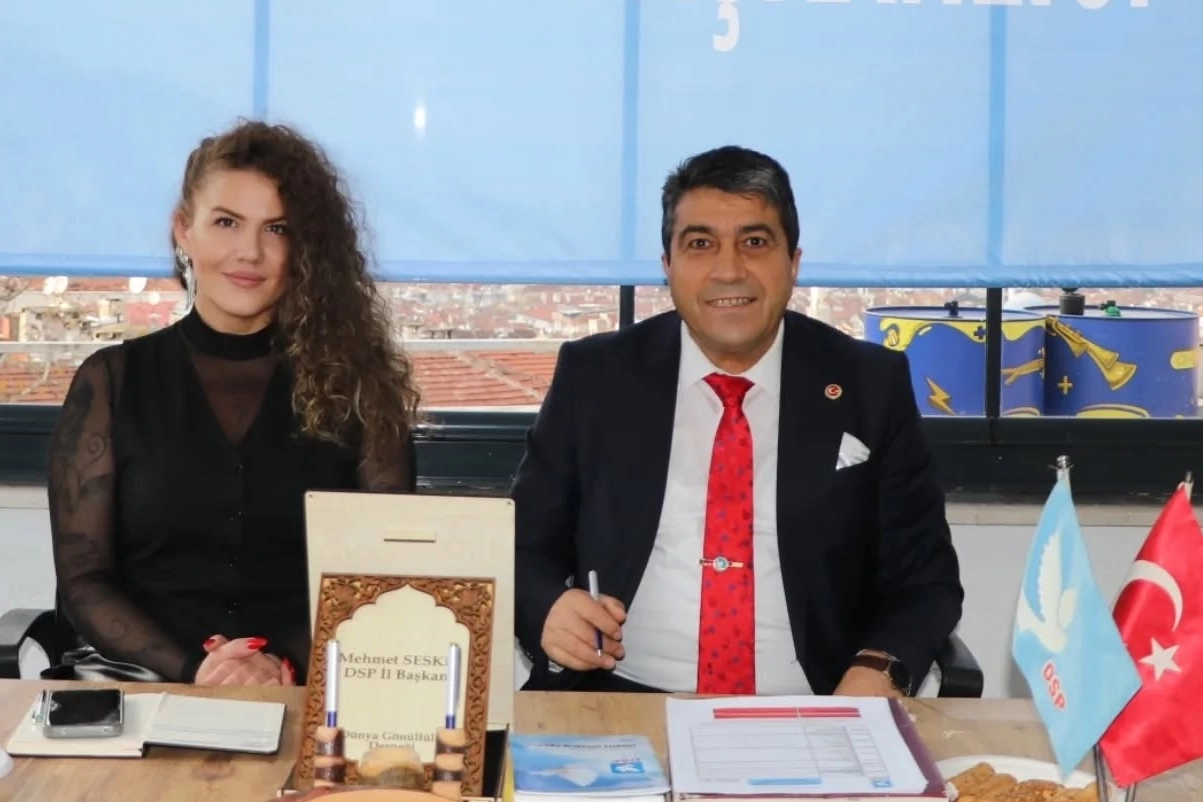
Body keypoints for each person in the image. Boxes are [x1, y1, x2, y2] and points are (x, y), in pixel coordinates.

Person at [512, 145, 963, 697]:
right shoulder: (596, 377)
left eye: (754, 242)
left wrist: (880, 665)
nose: (728, 270)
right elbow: (520, 546)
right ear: (667, 267)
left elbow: (926, 581)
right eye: (700, 244)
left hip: (812, 702)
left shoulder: (870, 385)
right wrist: (547, 606)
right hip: (619, 698)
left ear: (793, 262)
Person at [47, 121, 421, 686]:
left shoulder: (362, 388)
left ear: (305, 248)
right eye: (226, 222)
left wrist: (282, 664)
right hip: (144, 682)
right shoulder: (109, 382)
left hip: (313, 687)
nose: (250, 251)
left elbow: (385, 570)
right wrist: (198, 671)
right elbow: (84, 582)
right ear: (184, 230)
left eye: (278, 228)